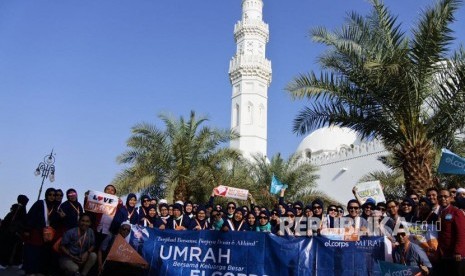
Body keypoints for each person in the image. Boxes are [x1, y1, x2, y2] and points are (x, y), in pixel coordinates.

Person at [23, 188, 60, 276]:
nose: (51, 197)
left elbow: (54, 221)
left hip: (46, 234)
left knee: (41, 254)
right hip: (35, 232)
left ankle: (38, 271)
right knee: (32, 252)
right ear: (46, 195)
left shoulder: (54, 207)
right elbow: (32, 215)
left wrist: (60, 217)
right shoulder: (40, 203)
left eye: (54, 195)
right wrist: (27, 229)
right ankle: (30, 272)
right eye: (50, 195)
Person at [436, 189, 465, 275]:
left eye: (445, 196)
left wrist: (458, 251)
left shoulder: (456, 212)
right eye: (440, 197)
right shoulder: (440, 213)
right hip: (445, 255)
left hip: (456, 256)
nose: (443, 199)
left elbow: (461, 233)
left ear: (451, 198)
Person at [0, 194, 29, 268]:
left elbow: (5, 222)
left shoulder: (14, 209)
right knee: (13, 248)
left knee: (9, 248)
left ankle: (6, 262)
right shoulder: (22, 210)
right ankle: (10, 262)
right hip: (15, 233)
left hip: (9, 232)